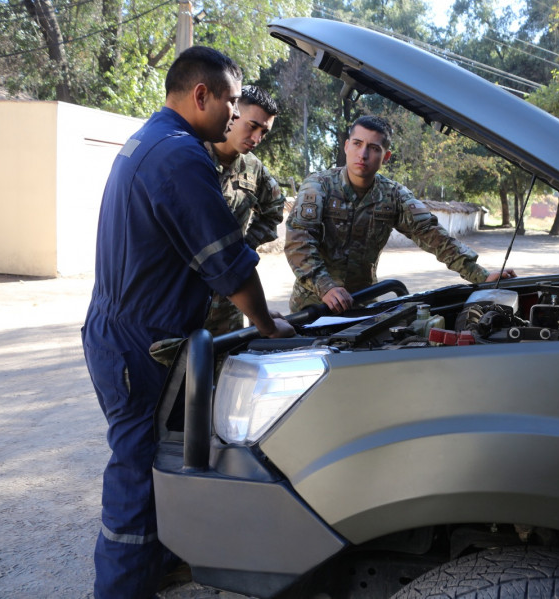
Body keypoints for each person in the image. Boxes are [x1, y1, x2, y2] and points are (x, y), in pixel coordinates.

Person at [81, 46, 293, 599]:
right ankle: (122, 589)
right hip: (138, 343)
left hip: (128, 331)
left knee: (160, 460)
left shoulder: (149, 140)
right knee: (137, 470)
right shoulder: (180, 156)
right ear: (201, 95)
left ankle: (156, 566)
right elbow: (229, 265)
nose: (233, 114)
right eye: (228, 101)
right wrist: (269, 327)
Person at [285, 115, 515, 314]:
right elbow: (299, 242)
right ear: (346, 146)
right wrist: (326, 287)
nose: (362, 154)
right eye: (357, 143)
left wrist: (480, 275)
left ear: (386, 157)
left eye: (374, 148)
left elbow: (432, 235)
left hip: (361, 304)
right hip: (312, 306)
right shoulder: (318, 186)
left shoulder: (394, 195)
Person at [202, 84, 286, 335]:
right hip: (188, 298)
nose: (257, 138)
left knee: (225, 370)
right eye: (252, 126)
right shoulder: (193, 156)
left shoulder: (253, 167)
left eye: (264, 132)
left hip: (230, 302)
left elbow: (274, 209)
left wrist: (244, 248)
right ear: (233, 112)